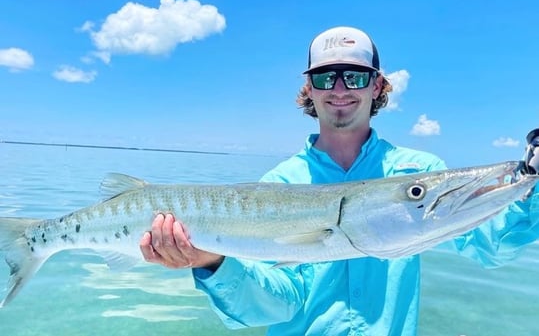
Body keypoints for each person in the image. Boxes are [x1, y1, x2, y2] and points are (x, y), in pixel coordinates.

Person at [139, 26, 539, 335]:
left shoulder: (417, 170)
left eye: (356, 76)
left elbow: (493, 245)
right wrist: (211, 262)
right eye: (327, 78)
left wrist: (531, 183)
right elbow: (270, 306)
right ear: (309, 89)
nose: (341, 89)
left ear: (378, 85)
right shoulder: (279, 184)